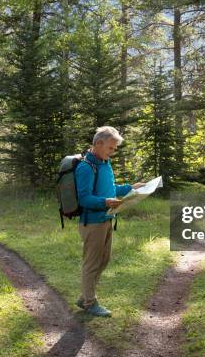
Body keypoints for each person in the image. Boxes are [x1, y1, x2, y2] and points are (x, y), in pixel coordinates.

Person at [74, 126, 144, 317]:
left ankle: (84, 297)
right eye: (110, 148)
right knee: (91, 263)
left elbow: (111, 188)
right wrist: (104, 202)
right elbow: (84, 198)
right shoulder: (85, 167)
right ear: (98, 144)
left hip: (107, 219)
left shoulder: (105, 164)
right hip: (92, 223)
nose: (112, 152)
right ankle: (90, 302)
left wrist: (132, 187)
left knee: (104, 260)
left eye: (114, 149)